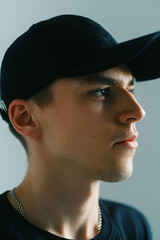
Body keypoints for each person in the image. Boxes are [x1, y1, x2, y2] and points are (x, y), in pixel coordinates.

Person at [0, 14, 160, 240]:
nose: (137, 112)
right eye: (101, 92)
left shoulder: (133, 226)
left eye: (130, 90)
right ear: (26, 118)